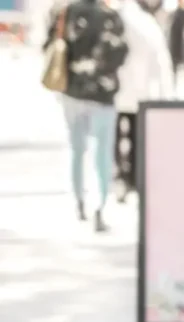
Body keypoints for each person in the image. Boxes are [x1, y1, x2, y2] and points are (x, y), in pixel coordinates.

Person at [44, 0, 130, 232]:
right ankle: (99, 205)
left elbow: (50, 45)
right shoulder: (111, 16)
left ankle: (79, 200)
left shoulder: (66, 12)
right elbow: (122, 53)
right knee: (102, 153)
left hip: (72, 90)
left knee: (77, 149)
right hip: (103, 93)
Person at [115, 0, 175, 201]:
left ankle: (122, 177)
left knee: (118, 136)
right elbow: (161, 60)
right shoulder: (145, 21)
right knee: (134, 136)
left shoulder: (119, 15)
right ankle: (131, 178)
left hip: (119, 89)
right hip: (138, 90)